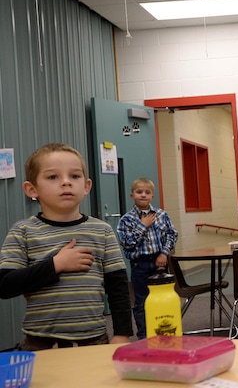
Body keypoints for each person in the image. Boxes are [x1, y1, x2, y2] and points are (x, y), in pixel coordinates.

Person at [0, 143, 133, 350]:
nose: (66, 183)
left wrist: (122, 333)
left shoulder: (102, 231)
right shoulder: (23, 231)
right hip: (40, 342)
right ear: (31, 189)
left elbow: (118, 287)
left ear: (87, 186)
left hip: (93, 340)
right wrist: (55, 265)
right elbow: (5, 285)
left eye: (74, 176)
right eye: (53, 177)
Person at [118, 177, 179, 339]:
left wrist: (164, 253)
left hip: (160, 262)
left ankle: (165, 332)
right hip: (140, 265)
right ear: (132, 196)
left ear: (152, 196)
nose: (143, 195)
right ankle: (144, 336)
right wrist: (142, 225)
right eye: (139, 192)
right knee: (142, 301)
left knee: (163, 299)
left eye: (147, 192)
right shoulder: (127, 220)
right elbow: (127, 242)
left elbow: (172, 235)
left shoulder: (161, 214)